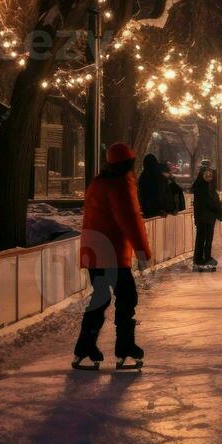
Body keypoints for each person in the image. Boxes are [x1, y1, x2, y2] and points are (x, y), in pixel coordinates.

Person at [74, 142, 151, 370]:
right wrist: (142, 252)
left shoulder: (98, 182)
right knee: (127, 299)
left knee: (100, 299)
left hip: (94, 250)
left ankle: (85, 347)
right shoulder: (120, 184)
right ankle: (125, 347)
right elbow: (130, 220)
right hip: (112, 253)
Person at [190, 163, 222, 272]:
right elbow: (209, 203)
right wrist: (218, 210)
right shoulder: (201, 188)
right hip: (204, 217)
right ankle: (200, 260)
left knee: (206, 240)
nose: (209, 177)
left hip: (208, 217)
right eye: (207, 175)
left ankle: (204, 259)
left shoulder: (208, 187)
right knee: (202, 239)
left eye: (210, 175)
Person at [136, 153, 173, 219]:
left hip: (147, 211)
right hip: (160, 211)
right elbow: (164, 193)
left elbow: (141, 194)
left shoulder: (143, 177)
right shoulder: (159, 176)